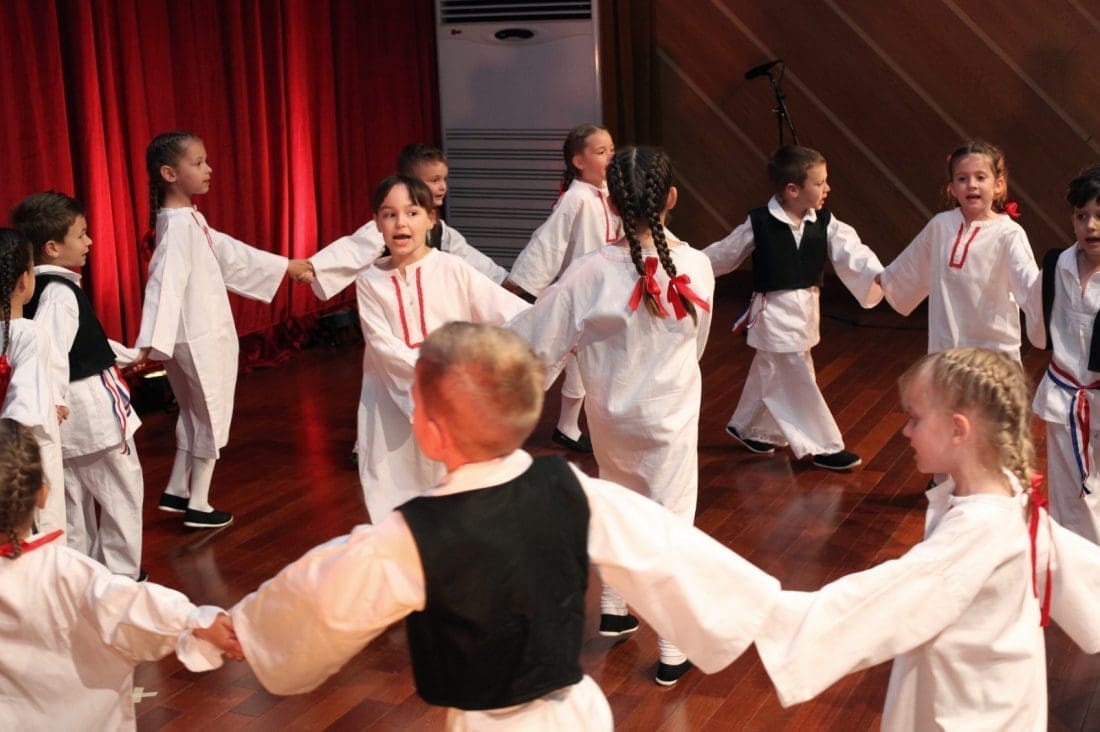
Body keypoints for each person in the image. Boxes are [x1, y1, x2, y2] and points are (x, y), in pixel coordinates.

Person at [229, 322, 781, 730]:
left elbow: (322, 597)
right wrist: (775, 614)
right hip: (579, 716)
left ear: (432, 432)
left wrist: (240, 631)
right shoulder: (570, 487)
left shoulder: (412, 535)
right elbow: (666, 549)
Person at [754, 348, 1100, 730]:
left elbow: (879, 601)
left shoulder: (977, 530)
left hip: (973, 714)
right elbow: (1077, 568)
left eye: (916, 419)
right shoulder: (1010, 492)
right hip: (998, 698)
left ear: (958, 429)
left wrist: (761, 614)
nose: (906, 431)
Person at [509, 146, 714, 685]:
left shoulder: (589, 271)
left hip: (609, 415)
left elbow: (542, 338)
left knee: (620, 505)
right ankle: (673, 646)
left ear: (614, 204)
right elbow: (697, 346)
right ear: (672, 198)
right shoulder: (696, 265)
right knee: (671, 525)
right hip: (669, 412)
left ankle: (615, 607)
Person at [0, 418, 243, 730]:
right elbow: (128, 606)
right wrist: (195, 621)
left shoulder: (65, 570)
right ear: (43, 494)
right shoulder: (67, 571)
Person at [132, 131, 314, 529]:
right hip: (199, 335)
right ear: (169, 173)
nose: (208, 169)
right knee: (211, 411)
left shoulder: (186, 221)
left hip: (192, 333)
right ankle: (199, 502)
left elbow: (229, 251)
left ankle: (177, 489)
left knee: (195, 413)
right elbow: (164, 283)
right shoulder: (179, 227)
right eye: (197, 163)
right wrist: (149, 341)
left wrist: (284, 265)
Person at [355, 176, 528, 521]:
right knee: (395, 491)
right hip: (391, 402)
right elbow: (383, 346)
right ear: (376, 222)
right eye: (389, 214)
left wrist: (556, 328)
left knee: (457, 487)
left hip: (453, 398)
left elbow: (509, 312)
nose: (400, 223)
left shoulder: (452, 268)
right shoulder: (368, 281)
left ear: (431, 219)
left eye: (412, 213)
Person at [704, 145, 883, 470]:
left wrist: (881, 277)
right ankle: (823, 446)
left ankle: (749, 428)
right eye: (820, 182)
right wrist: (686, 266)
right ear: (793, 190)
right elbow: (725, 254)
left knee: (772, 370)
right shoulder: (760, 222)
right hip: (772, 315)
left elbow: (852, 251)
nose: (827, 188)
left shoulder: (824, 222)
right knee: (795, 376)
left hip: (805, 315)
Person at [13, 191, 145, 579]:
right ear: (52, 247)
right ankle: (121, 575)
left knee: (72, 501)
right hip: (91, 412)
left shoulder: (37, 290)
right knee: (122, 494)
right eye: (81, 234)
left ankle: (81, 576)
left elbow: (76, 343)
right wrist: (53, 399)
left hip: (70, 418)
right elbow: (50, 350)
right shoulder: (59, 293)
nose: (89, 241)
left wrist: (129, 354)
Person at [505, 123, 622, 454]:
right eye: (601, 152)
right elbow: (549, 243)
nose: (610, 157)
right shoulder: (575, 199)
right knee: (555, 358)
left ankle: (569, 427)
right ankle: (509, 419)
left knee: (584, 363)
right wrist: (524, 283)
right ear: (579, 161)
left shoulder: (610, 194)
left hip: (604, 291)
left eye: (612, 150)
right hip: (579, 292)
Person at [878, 141, 1041, 361]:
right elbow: (903, 273)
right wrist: (863, 273)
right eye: (962, 179)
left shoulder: (1009, 233)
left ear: (999, 185)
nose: (971, 185)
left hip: (994, 358)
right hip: (945, 352)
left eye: (980, 177)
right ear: (952, 188)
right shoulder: (940, 225)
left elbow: (1030, 288)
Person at [309, 142, 508, 301]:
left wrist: (508, 282)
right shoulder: (385, 227)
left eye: (444, 180)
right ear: (408, 182)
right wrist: (313, 268)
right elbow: (353, 249)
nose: (442, 187)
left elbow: (473, 261)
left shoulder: (441, 231)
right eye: (434, 180)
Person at [1031, 164, 1100, 543]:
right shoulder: (1057, 264)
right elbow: (1035, 321)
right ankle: (1071, 568)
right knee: (1067, 499)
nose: (1091, 226)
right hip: (1063, 398)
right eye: (1081, 216)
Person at [0, 227, 65, 533]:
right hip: (20, 461)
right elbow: (23, 412)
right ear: (24, 280)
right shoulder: (29, 334)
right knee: (37, 538)